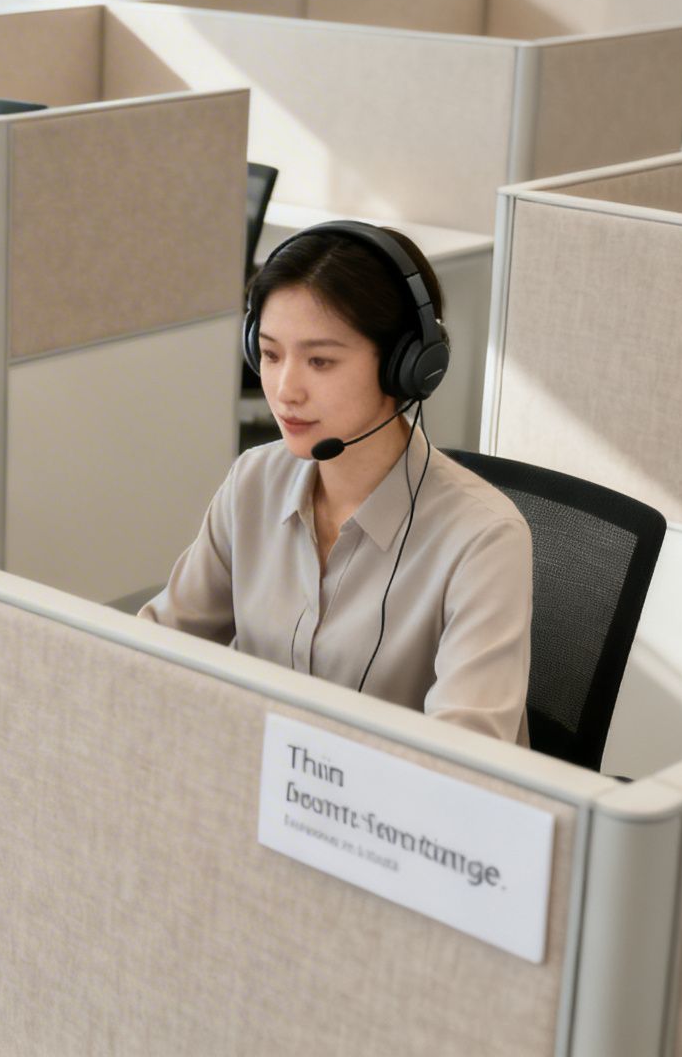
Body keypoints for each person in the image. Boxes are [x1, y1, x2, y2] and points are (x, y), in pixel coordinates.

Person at [139, 221, 532, 743]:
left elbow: (464, 761)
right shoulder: (255, 480)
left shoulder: (483, 540)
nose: (285, 391)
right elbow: (155, 647)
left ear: (407, 367)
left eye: (320, 361)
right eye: (272, 354)